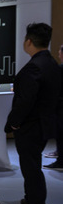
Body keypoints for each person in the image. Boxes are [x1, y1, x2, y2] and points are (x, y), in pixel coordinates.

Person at [5, 23, 61, 204]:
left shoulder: (34, 67)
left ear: (28, 41)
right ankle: (31, 199)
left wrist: (13, 123)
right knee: (33, 164)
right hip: (44, 123)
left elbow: (25, 101)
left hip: (31, 126)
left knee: (31, 168)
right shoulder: (52, 64)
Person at [43, 43, 63, 171]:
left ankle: (60, 161)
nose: (58, 54)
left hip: (60, 106)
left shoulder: (60, 69)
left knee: (61, 134)